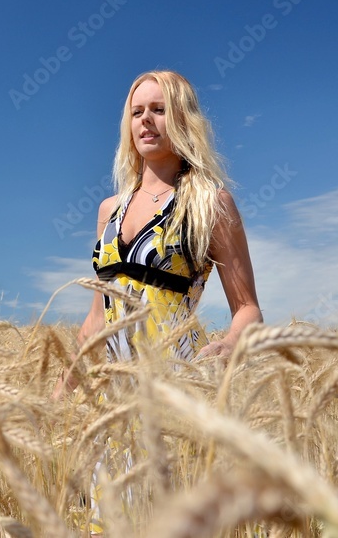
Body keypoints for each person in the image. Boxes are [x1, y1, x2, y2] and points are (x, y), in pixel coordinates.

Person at [52, 69, 263, 534]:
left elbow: (247, 308)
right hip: (113, 400)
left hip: (175, 390)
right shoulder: (110, 209)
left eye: (159, 110)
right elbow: (97, 314)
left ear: (182, 118)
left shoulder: (210, 202)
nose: (146, 121)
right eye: (137, 112)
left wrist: (229, 344)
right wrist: (63, 390)